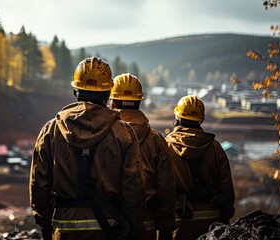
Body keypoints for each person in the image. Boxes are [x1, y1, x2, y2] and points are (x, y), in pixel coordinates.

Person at [29, 56, 148, 240]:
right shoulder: (124, 133)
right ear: (108, 93)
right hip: (109, 230)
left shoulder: (51, 131)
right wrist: (133, 229)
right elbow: (133, 188)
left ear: (76, 90)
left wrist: (44, 223)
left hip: (64, 230)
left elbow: (39, 183)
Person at [109, 73, 175, 240]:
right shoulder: (157, 140)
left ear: (112, 103)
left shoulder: (104, 136)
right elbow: (165, 189)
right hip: (147, 226)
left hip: (109, 224)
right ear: (139, 102)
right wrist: (166, 231)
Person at [165, 95, 235, 240]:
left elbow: (160, 186)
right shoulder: (215, 148)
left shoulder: (166, 146)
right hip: (211, 222)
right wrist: (225, 218)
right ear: (201, 120)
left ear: (177, 117)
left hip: (178, 221)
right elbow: (226, 188)